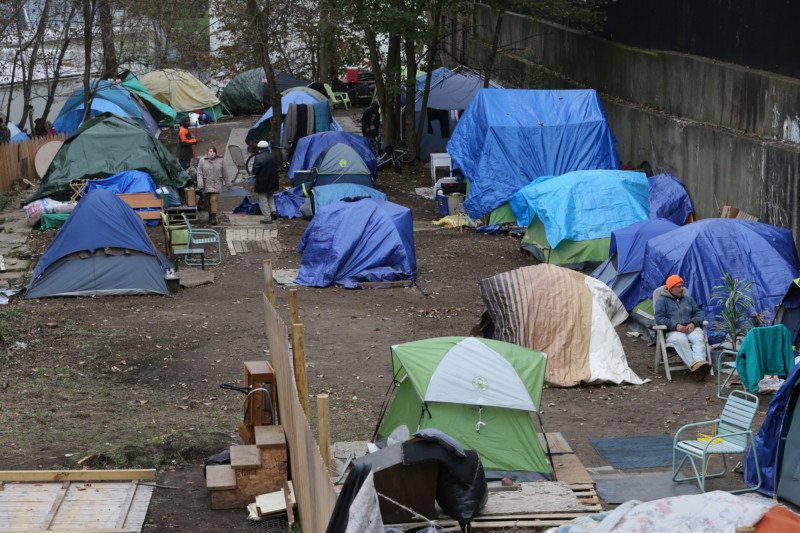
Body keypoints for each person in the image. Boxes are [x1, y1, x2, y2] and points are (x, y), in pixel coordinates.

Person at [654, 274, 712, 380]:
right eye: (679, 287)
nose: (682, 289)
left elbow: (699, 313)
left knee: (699, 337)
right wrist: (675, 325)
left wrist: (693, 323)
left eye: (682, 286)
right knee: (681, 339)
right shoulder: (662, 301)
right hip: (673, 331)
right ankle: (697, 367)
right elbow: (659, 318)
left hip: (690, 328)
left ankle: (699, 365)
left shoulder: (688, 299)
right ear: (670, 288)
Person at [196, 146, 230, 226]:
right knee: (208, 201)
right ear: (207, 152)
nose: (212, 153)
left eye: (213, 152)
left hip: (216, 183)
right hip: (206, 184)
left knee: (213, 199)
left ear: (216, 152)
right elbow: (199, 173)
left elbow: (225, 172)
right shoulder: (202, 161)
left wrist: (228, 183)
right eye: (210, 151)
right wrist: (200, 184)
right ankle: (210, 215)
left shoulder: (220, 161)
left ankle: (214, 217)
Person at [252, 140, 279, 224]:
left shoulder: (259, 157)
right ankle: (273, 211)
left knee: (263, 200)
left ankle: (267, 217)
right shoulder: (273, 156)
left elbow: (255, 171)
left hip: (262, 182)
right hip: (273, 181)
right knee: (270, 196)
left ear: (259, 148)